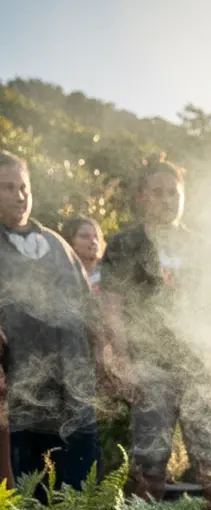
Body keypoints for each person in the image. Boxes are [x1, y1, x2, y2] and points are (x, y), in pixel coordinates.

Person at [102, 156, 211, 509]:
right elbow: (112, 308)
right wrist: (123, 362)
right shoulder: (124, 245)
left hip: (198, 366)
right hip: (150, 367)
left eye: (173, 193)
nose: (167, 200)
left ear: (184, 197)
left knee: (210, 458)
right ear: (142, 196)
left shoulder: (205, 249)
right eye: (158, 193)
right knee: (150, 462)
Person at [0, 151, 100, 490]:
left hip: (71, 393)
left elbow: (88, 308)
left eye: (24, 187)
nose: (19, 195)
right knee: (21, 497)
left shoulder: (57, 244)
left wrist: (103, 354)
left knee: (75, 495)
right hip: (15, 399)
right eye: (8, 187)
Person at [62, 216, 105, 292]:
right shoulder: (62, 275)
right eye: (85, 236)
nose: (93, 241)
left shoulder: (109, 272)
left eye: (95, 236)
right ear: (70, 242)